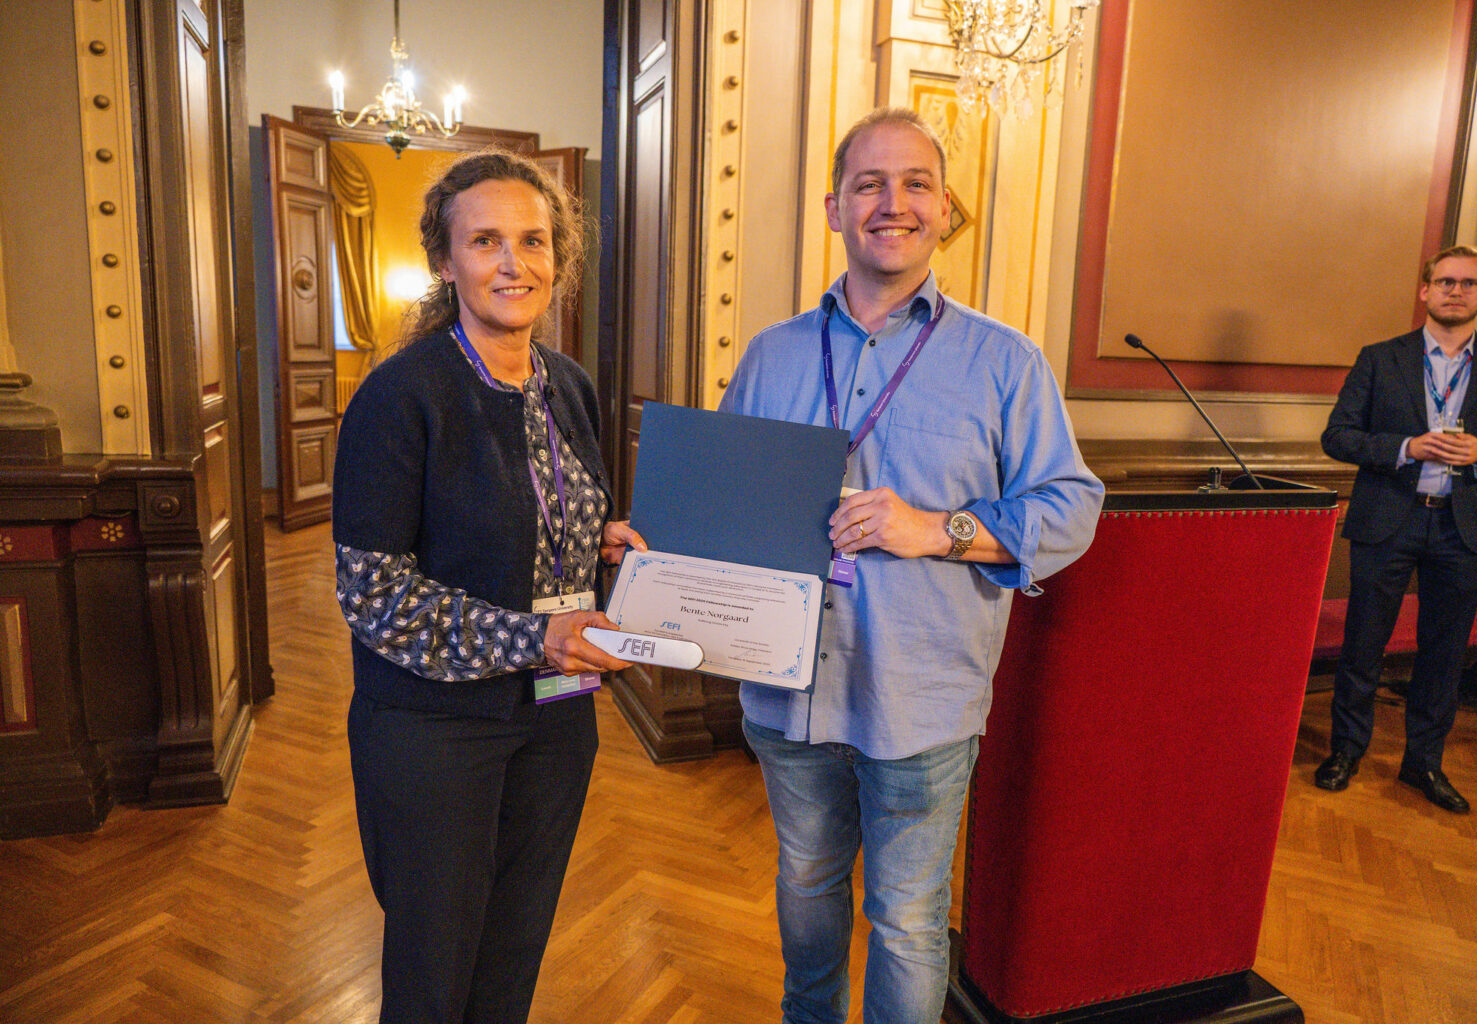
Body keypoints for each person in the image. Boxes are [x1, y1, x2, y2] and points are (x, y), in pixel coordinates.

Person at [719, 107, 1104, 1024]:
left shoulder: (1006, 362)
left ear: (944, 208)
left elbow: (1073, 506)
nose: (893, 203)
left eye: (916, 184)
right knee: (806, 889)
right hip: (787, 690)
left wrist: (937, 529)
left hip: (921, 697)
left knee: (906, 922)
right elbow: (724, 505)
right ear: (834, 209)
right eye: (869, 184)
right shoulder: (772, 354)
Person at [331, 149, 645, 1023]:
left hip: (556, 718)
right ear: (445, 261)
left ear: (558, 258)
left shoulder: (569, 386)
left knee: (513, 954)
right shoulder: (400, 397)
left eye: (533, 241)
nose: (515, 263)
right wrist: (535, 637)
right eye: (486, 241)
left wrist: (599, 545)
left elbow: (541, 520)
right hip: (434, 729)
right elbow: (374, 594)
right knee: (433, 974)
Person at [1316, 244, 1477, 813]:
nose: (1455, 291)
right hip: (1390, 518)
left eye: (1468, 283)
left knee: (1444, 652)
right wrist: (1405, 447)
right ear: (1425, 290)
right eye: (1445, 282)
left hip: (1464, 529)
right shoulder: (1379, 358)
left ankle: (1424, 764)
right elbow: (1337, 436)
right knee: (1364, 644)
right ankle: (1346, 752)